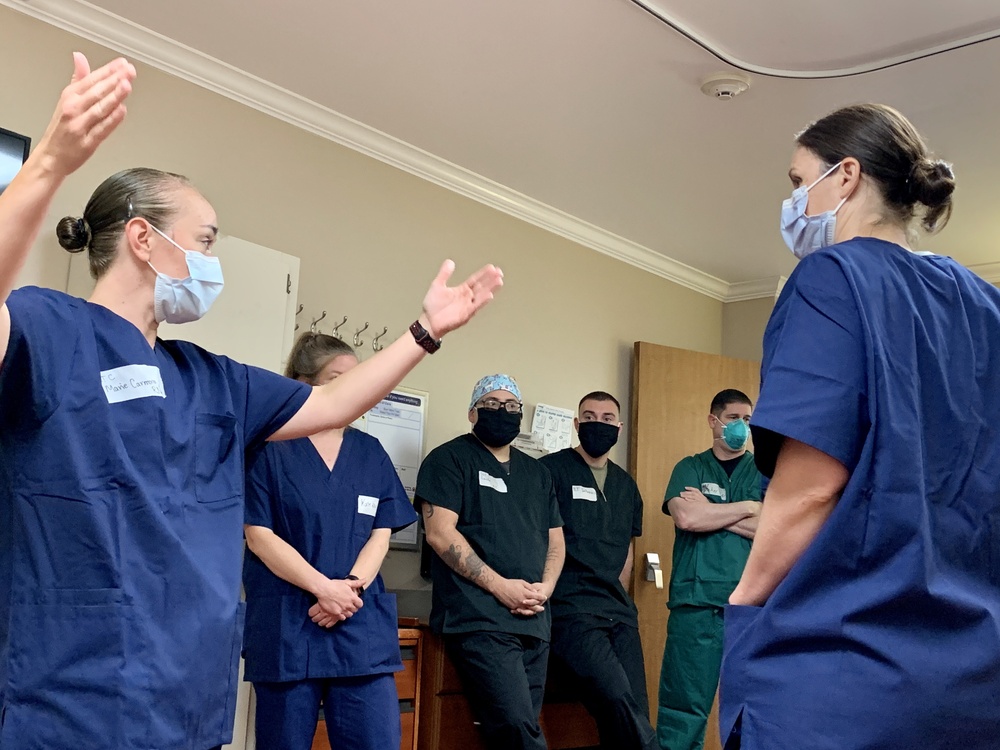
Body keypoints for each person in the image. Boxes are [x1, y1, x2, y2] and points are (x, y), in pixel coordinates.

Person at [0, 53, 502, 750]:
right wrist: (49, 162)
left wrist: (424, 333)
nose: (212, 261)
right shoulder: (50, 329)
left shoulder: (212, 378)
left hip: (190, 700)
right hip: (74, 701)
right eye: (204, 240)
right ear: (143, 238)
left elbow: (332, 404)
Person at [719, 103, 1000, 749]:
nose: (793, 200)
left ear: (845, 176)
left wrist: (747, 603)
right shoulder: (986, 305)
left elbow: (813, 485)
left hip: (847, 672)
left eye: (798, 182)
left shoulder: (833, 277)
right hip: (973, 680)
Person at [242, 331, 419, 749]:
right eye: (338, 378)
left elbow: (381, 532)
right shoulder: (268, 447)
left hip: (359, 624)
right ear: (303, 383)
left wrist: (349, 590)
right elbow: (258, 535)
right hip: (290, 627)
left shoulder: (370, 451)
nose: (353, 390)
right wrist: (324, 590)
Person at [415, 374, 565, 750]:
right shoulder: (448, 460)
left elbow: (556, 543)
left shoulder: (538, 473)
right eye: (492, 405)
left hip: (534, 618)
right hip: (480, 616)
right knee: (517, 727)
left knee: (519, 726)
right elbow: (439, 534)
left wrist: (544, 589)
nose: (504, 412)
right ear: (472, 413)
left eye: (512, 406)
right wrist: (502, 587)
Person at [541, 391, 656, 750]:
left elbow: (627, 552)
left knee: (635, 707)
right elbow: (536, 541)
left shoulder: (626, 486)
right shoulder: (550, 472)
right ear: (576, 425)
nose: (598, 423)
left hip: (618, 611)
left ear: (618, 428)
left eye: (607, 418)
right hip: (572, 609)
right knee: (618, 700)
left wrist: (618, 596)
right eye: (589, 416)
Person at [657, 389, 762, 750]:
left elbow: (771, 527)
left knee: (750, 710)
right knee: (683, 709)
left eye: (748, 420)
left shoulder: (762, 470)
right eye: (734, 418)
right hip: (696, 605)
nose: (741, 427)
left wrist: (714, 510)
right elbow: (687, 517)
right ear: (713, 420)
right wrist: (747, 509)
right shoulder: (689, 467)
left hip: (748, 608)